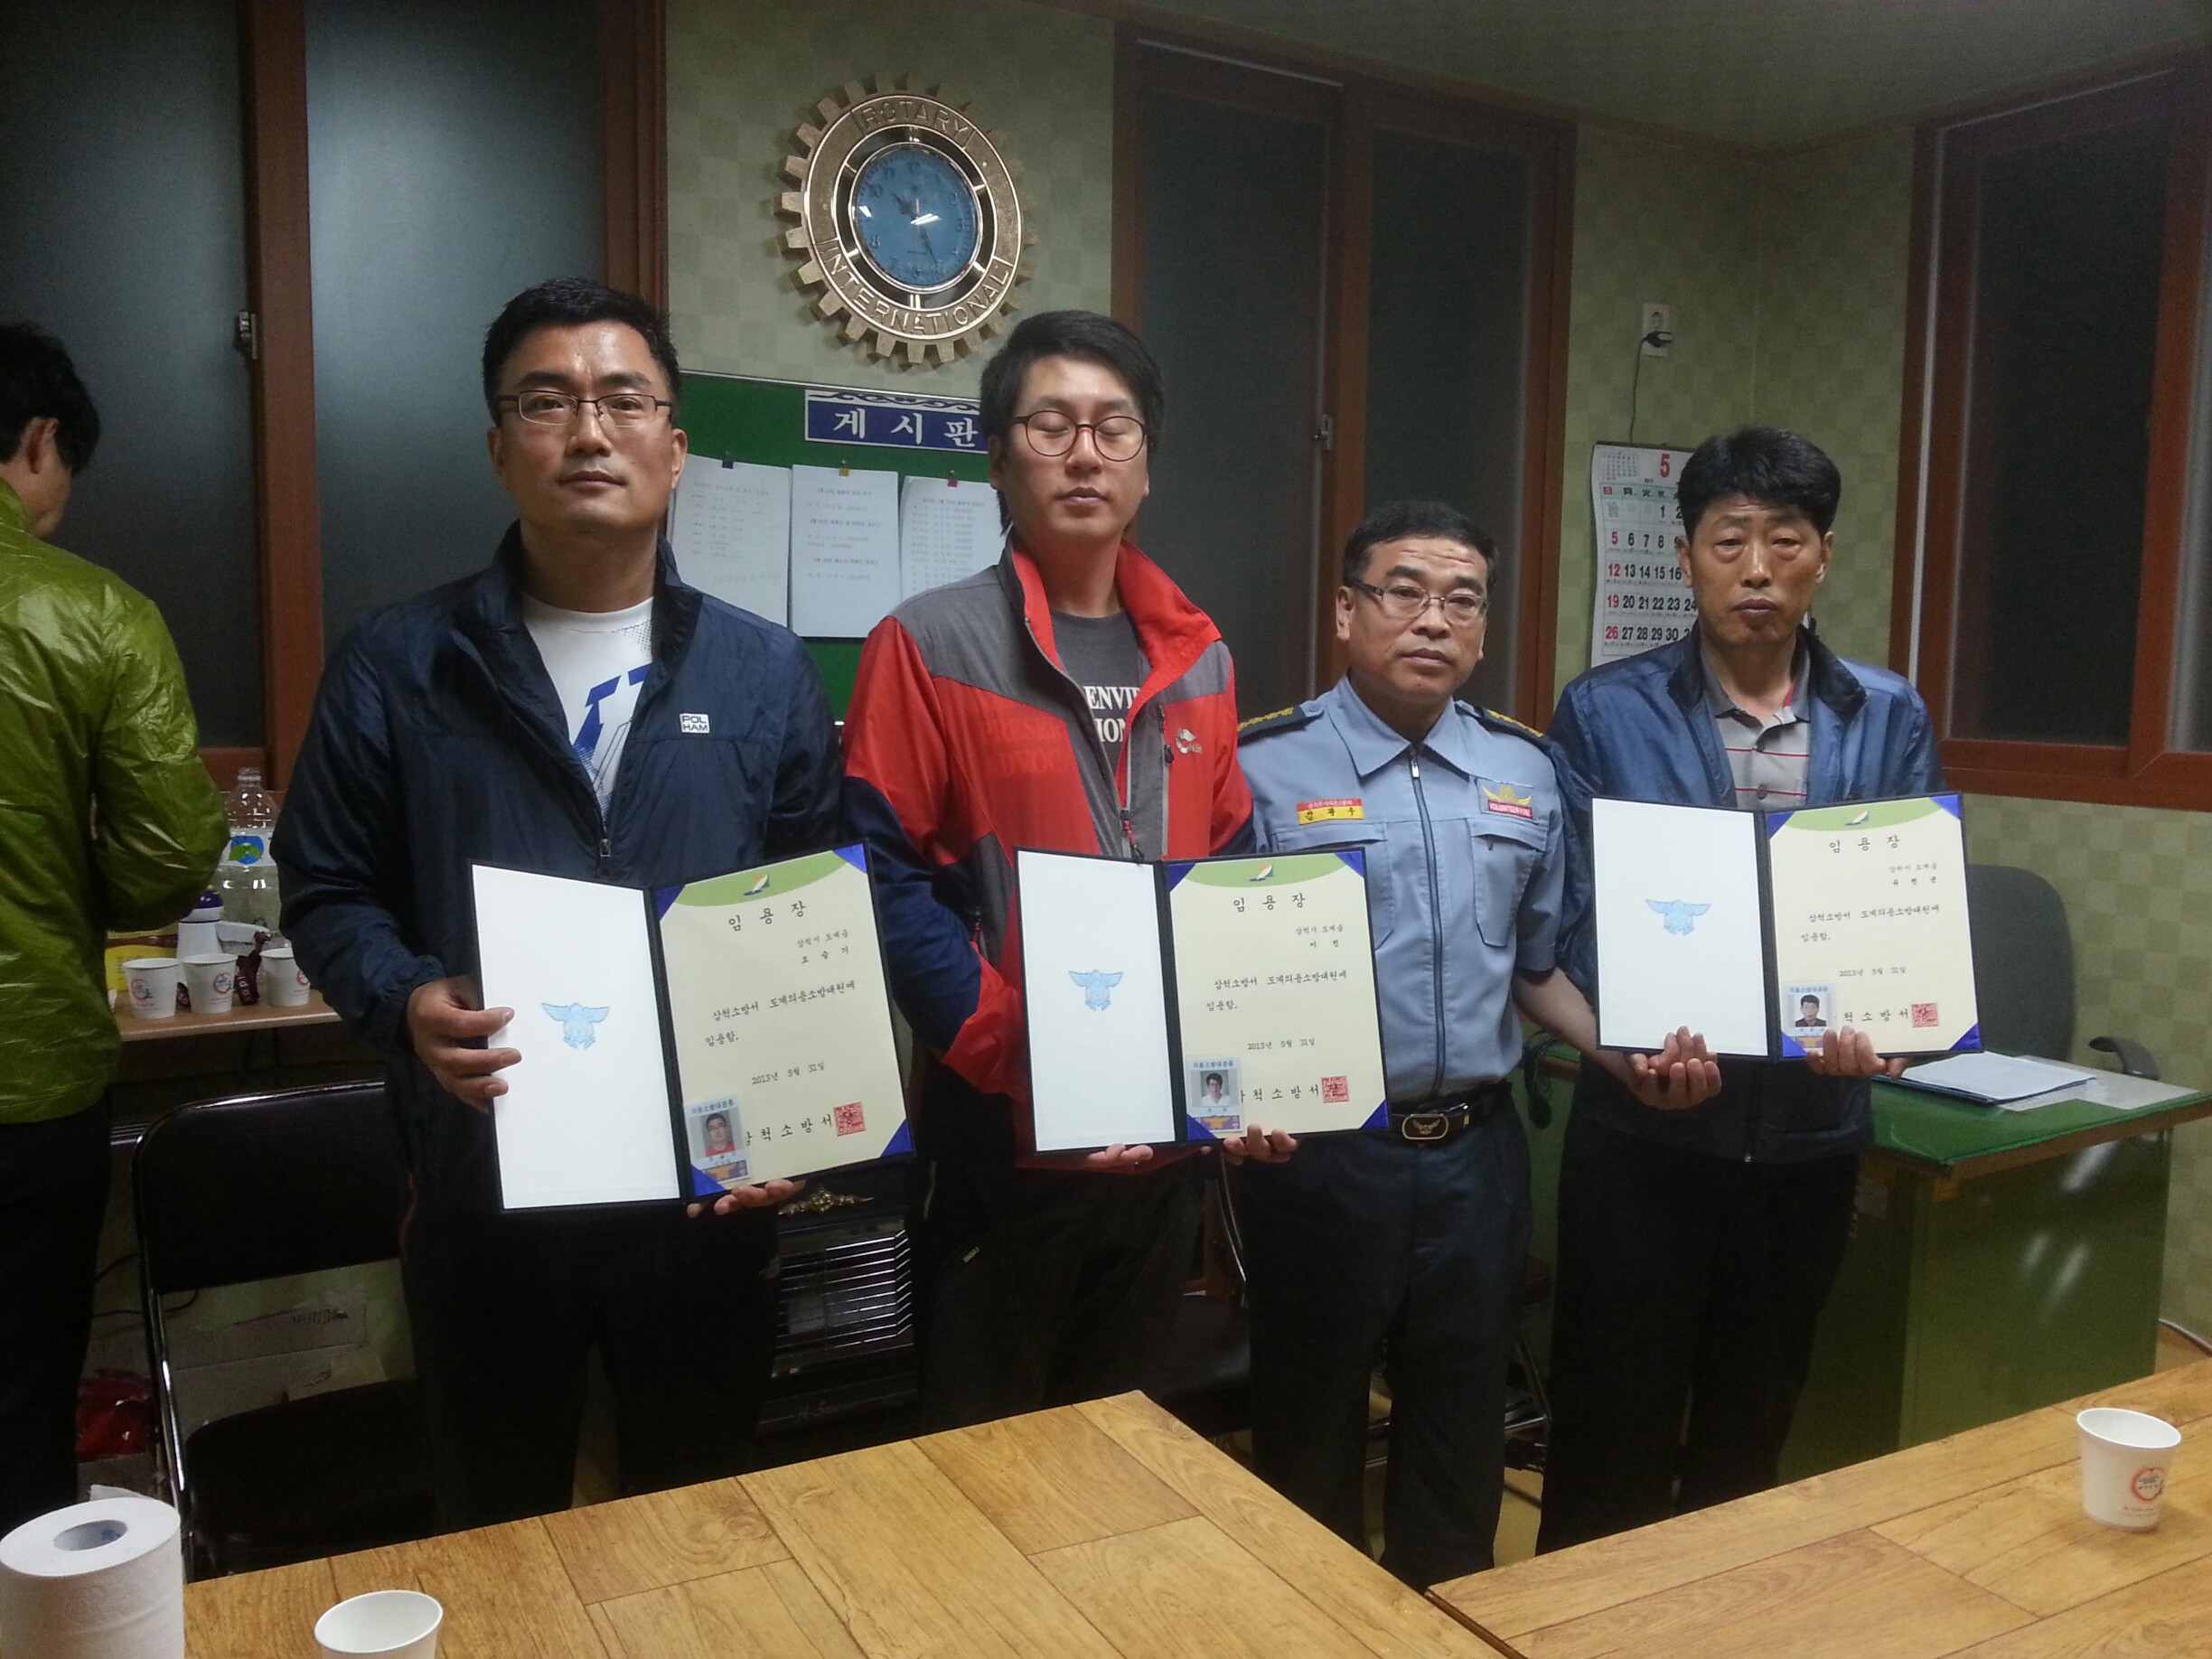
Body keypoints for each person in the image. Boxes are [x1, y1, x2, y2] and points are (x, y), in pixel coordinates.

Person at [276, 278, 839, 1530]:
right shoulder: (399, 662)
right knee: (500, 1533)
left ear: (674, 448)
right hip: (487, 1187)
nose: (589, 430)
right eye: (547, 402)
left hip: (704, 1196)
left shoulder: (763, 668)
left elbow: (810, 906)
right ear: (499, 448)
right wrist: (402, 997)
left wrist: (792, 1119)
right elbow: (327, 885)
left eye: (623, 400)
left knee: (702, 1528)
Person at [1236, 499, 1716, 1586]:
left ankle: (1446, 1617)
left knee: (1460, 1425)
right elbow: (1216, 970)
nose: (1433, 620)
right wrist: (1226, 1107)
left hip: (1477, 1155)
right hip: (1324, 1157)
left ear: (1485, 628)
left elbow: (1536, 967)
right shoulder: (1263, 765)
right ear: (1347, 611)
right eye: (1404, 592)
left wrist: (1626, 1058)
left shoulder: (1526, 770)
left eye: (1462, 600)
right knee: (1308, 1418)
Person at [843, 309, 1256, 1428]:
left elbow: (1228, 873)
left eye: (1114, 428)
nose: (1084, 453)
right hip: (1003, 1140)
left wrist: (1243, 1059)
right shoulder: (927, 643)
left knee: (1121, 1445)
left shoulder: (1202, 657)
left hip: (1163, 1146)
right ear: (998, 457)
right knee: (983, 1461)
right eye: (1051, 425)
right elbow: (883, 879)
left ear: (1146, 464)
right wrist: (1016, 1053)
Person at [1539, 426, 1941, 1551]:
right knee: (1609, 1429)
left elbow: (1907, 911)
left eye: (1785, 540)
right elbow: (1567, 919)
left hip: (1808, 1138)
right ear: (1687, 558)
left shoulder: (1887, 713)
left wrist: (1893, 1034)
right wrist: (1624, 1054)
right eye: (1729, 541)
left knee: (1749, 1431)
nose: (1756, 569)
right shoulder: (1605, 710)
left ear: (1825, 555)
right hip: (1643, 1134)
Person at [0, 324, 226, 1535]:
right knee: (21, 1403)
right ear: (40, 440)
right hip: (26, 1085)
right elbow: (163, 862)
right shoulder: (89, 613)